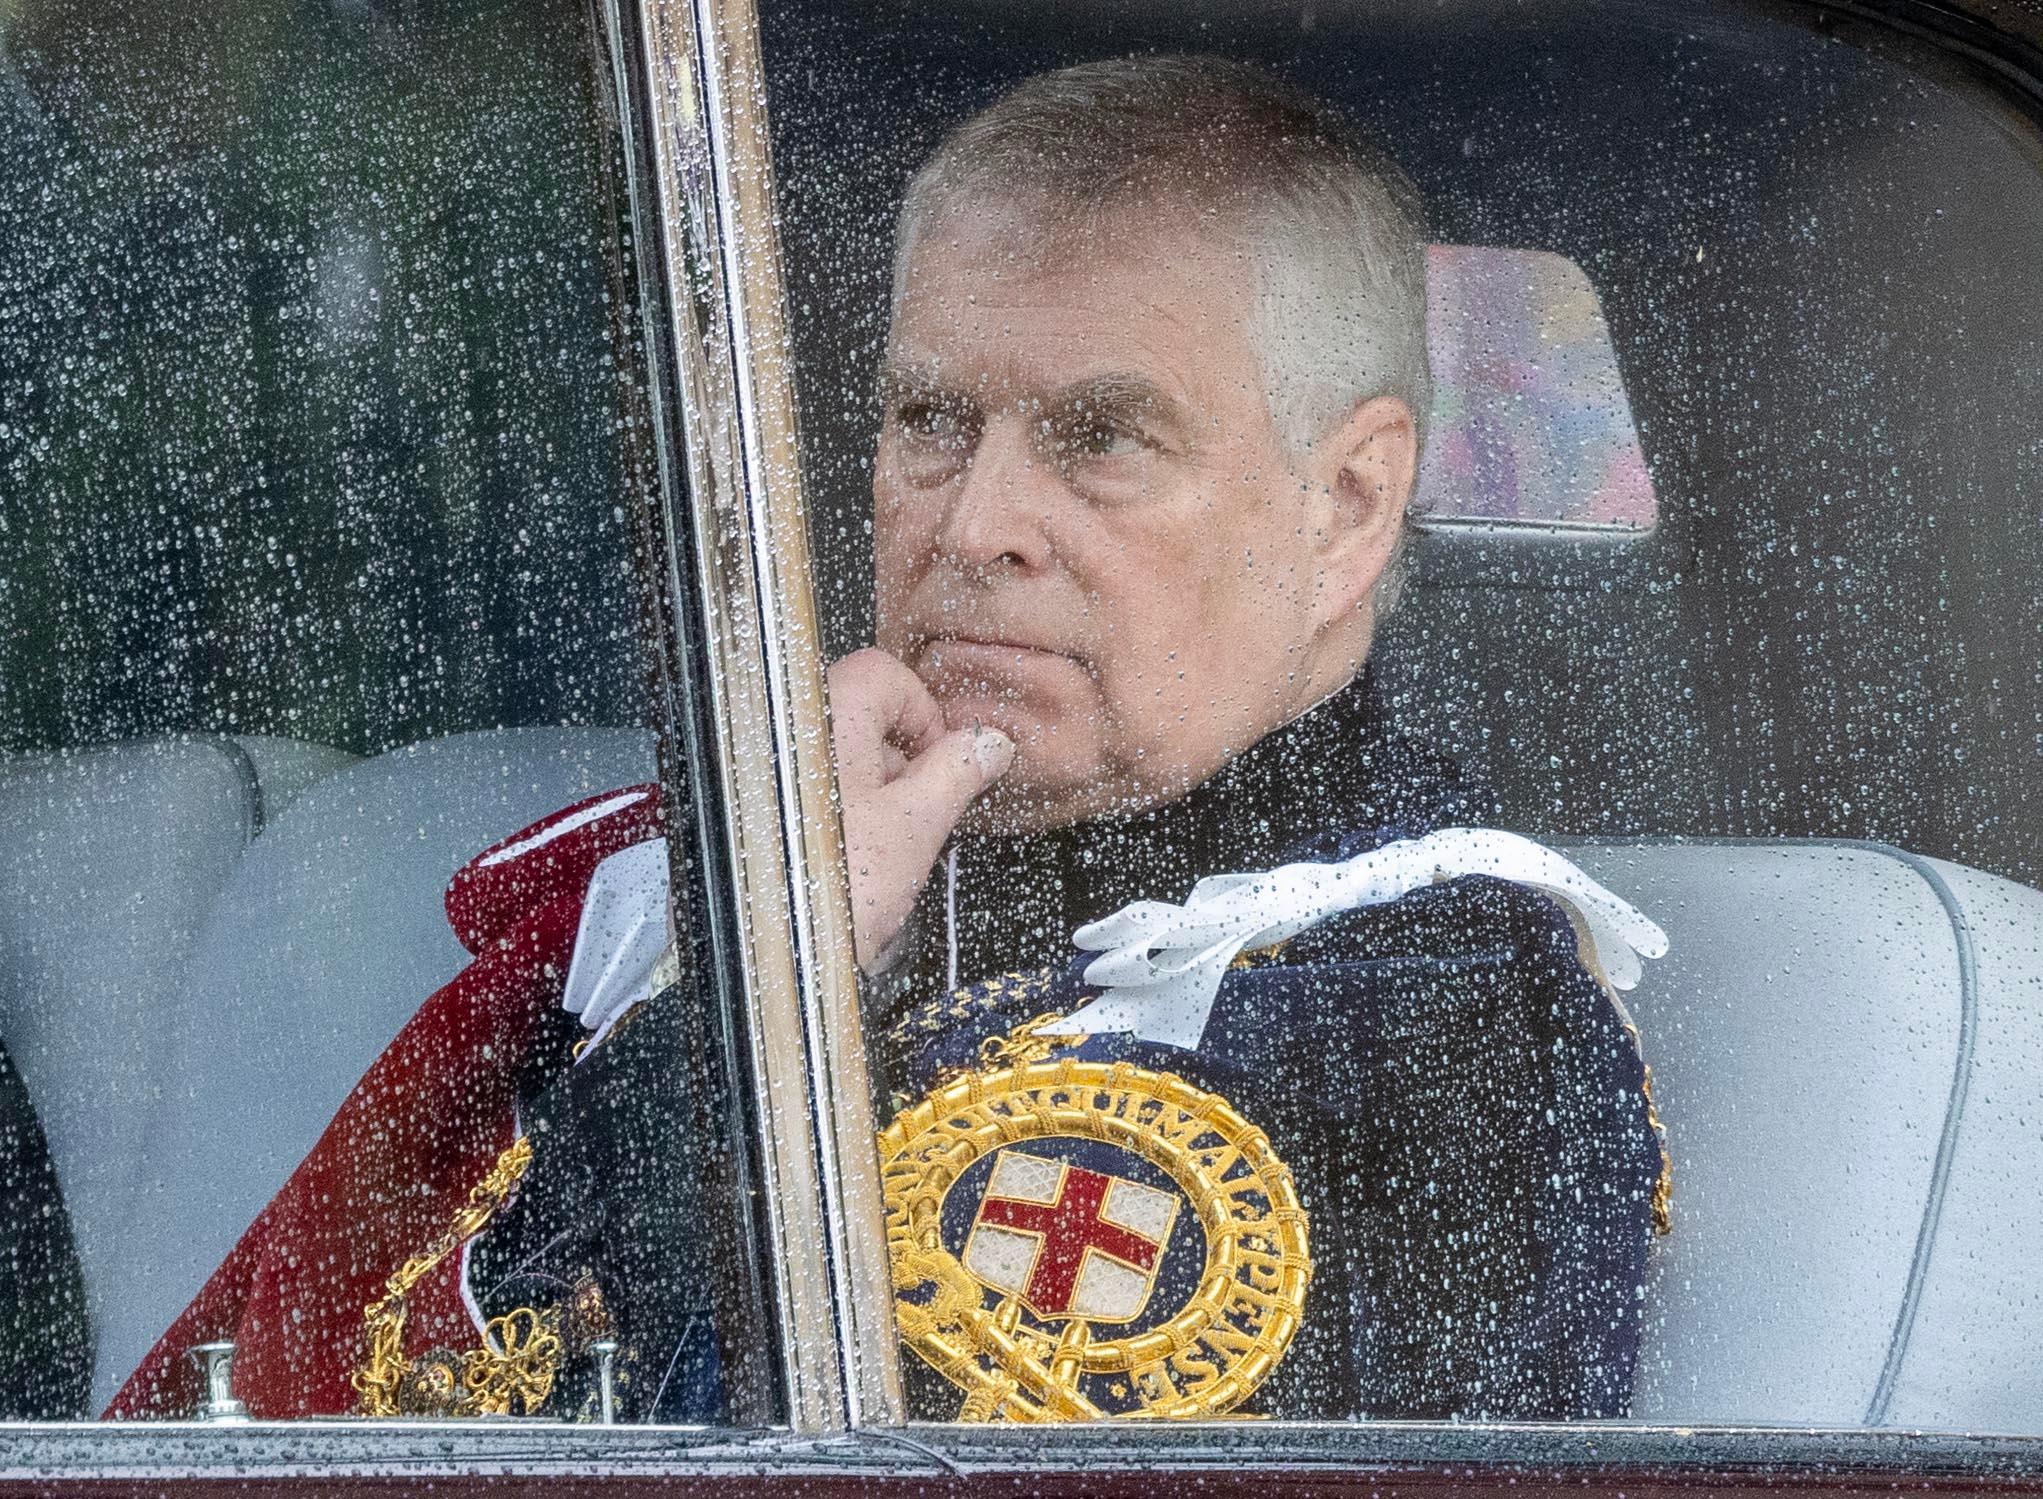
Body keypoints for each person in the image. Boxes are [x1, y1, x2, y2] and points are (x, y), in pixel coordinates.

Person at [109, 54, 1666, 1424]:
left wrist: (775, 994)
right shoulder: (723, 871)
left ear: (1346, 507)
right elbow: (304, 1407)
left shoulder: (1443, 1020)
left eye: (1100, 438)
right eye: (931, 422)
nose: (973, 526)